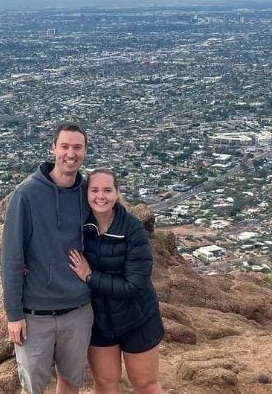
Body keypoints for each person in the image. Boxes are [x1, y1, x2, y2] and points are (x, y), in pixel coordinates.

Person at [1, 122, 93, 394]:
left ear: (85, 151)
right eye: (64, 146)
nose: (70, 153)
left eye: (77, 147)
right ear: (53, 148)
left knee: (71, 382)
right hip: (35, 314)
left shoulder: (88, 194)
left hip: (77, 310)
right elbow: (12, 257)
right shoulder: (26, 194)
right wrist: (13, 314)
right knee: (33, 389)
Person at [68, 168, 163, 394]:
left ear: (117, 193)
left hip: (137, 318)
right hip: (100, 321)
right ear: (87, 194)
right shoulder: (81, 227)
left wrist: (90, 276)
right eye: (95, 190)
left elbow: (133, 286)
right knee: (105, 383)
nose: (101, 196)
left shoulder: (132, 229)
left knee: (145, 384)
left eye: (107, 190)